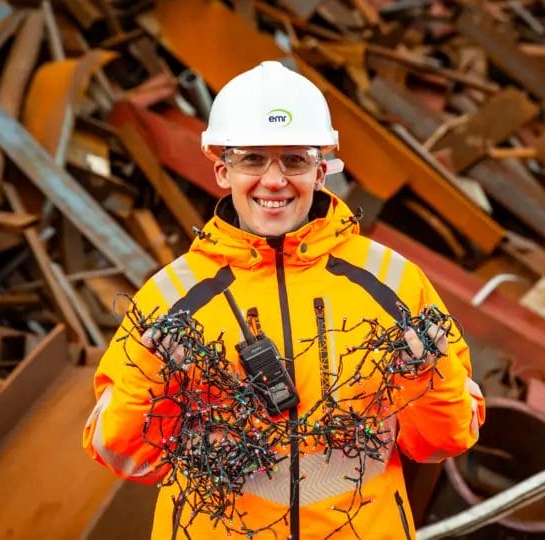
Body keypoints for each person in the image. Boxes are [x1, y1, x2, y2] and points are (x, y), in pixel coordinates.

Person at [83, 60, 485, 540]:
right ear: (221, 169)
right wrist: (153, 379)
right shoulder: (173, 301)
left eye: (293, 160)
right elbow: (122, 457)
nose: (274, 181)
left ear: (321, 170)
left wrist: (426, 377)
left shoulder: (392, 283)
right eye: (253, 159)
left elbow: (446, 441)